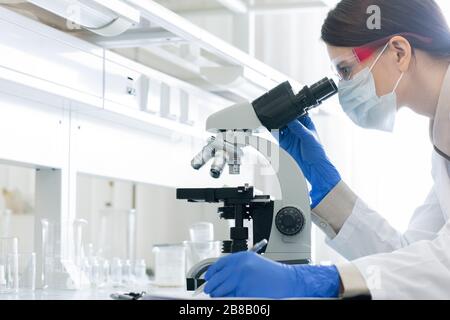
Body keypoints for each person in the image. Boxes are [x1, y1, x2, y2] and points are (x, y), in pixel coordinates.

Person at [203, 0, 450, 299]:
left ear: (398, 52)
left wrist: (317, 279)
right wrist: (327, 186)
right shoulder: (441, 137)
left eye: (345, 70)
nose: (343, 86)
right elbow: (411, 263)